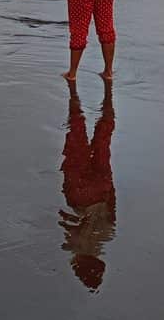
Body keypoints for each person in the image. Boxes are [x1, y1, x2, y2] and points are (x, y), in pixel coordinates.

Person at [59, 79, 117, 291]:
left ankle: (106, 113)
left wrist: (109, 186)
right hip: (80, 196)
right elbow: (67, 220)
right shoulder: (73, 245)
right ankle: (76, 111)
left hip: (102, 190)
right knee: (76, 147)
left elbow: (112, 203)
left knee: (102, 146)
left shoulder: (108, 234)